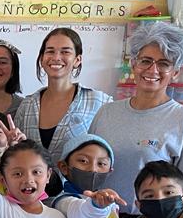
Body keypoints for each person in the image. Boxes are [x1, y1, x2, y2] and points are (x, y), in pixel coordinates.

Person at [89, 21, 183, 218]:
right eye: (146, 61)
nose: (153, 70)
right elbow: (90, 170)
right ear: (133, 64)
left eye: (164, 64)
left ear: (175, 72)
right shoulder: (107, 113)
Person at [13, 28, 111, 171]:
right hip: (30, 191)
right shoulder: (27, 105)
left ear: (77, 60)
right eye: (50, 51)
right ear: (42, 59)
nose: (56, 57)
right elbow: (16, 154)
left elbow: (108, 155)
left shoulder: (99, 102)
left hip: (81, 192)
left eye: (65, 51)